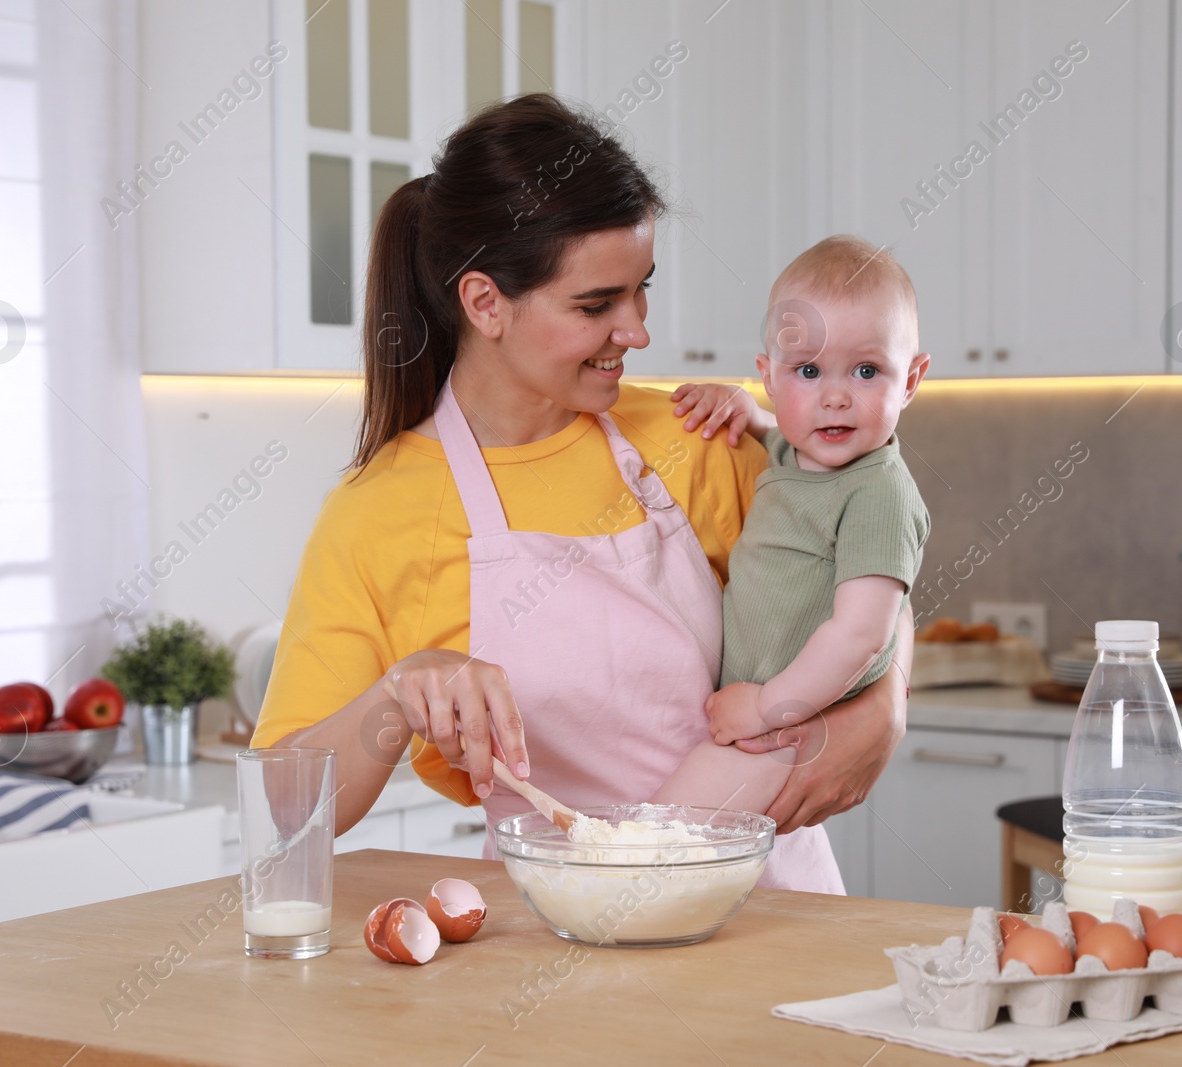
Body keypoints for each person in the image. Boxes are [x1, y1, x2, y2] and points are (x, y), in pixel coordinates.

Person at [249, 94, 914, 892]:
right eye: (597, 304)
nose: (635, 329)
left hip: (773, 910)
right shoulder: (376, 515)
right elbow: (283, 805)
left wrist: (885, 705)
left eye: (642, 290)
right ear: (485, 302)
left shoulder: (691, 435)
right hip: (557, 928)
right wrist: (398, 694)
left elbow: (869, 567)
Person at [652, 236, 931, 818]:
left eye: (866, 370)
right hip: (754, 713)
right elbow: (778, 434)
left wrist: (767, 707)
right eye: (807, 371)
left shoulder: (878, 493)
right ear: (770, 376)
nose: (834, 397)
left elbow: (861, 634)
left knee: (656, 845)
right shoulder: (794, 455)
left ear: (910, 381)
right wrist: (743, 410)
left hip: (784, 729)